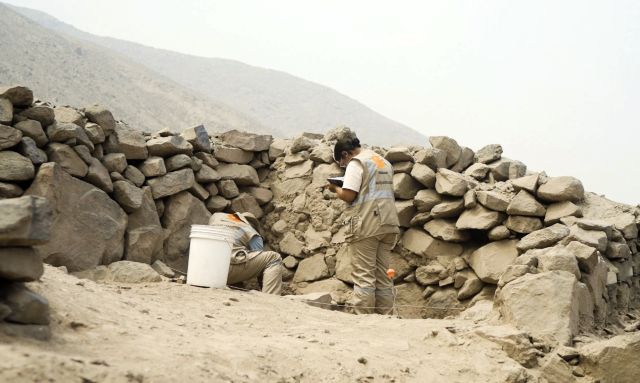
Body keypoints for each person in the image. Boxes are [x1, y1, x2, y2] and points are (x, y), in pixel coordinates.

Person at [327, 132, 400, 314]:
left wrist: (335, 187)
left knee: (364, 275)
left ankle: (364, 319)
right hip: (389, 222)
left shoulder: (356, 162)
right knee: (383, 276)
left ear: (345, 154)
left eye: (341, 163)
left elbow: (348, 195)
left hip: (367, 223)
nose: (343, 166)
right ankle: (386, 318)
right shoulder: (382, 161)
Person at [208, 211, 283, 295]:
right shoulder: (252, 232)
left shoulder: (217, 217)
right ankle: (271, 298)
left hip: (204, 268)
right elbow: (260, 264)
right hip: (225, 269)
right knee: (273, 258)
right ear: (253, 225)